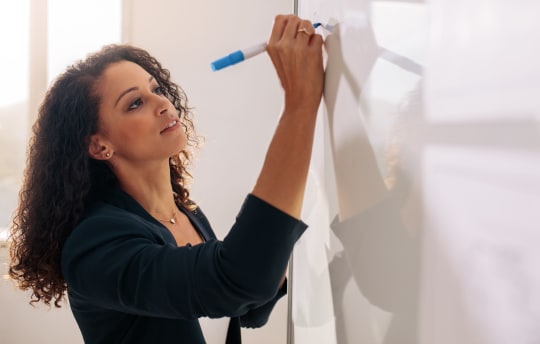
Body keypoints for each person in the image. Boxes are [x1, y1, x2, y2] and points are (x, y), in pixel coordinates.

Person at [8, 14, 324, 344]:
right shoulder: (94, 243)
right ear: (99, 145)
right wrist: (300, 103)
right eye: (135, 103)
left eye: (156, 89)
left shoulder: (186, 212)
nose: (162, 103)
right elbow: (237, 282)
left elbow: (246, 308)